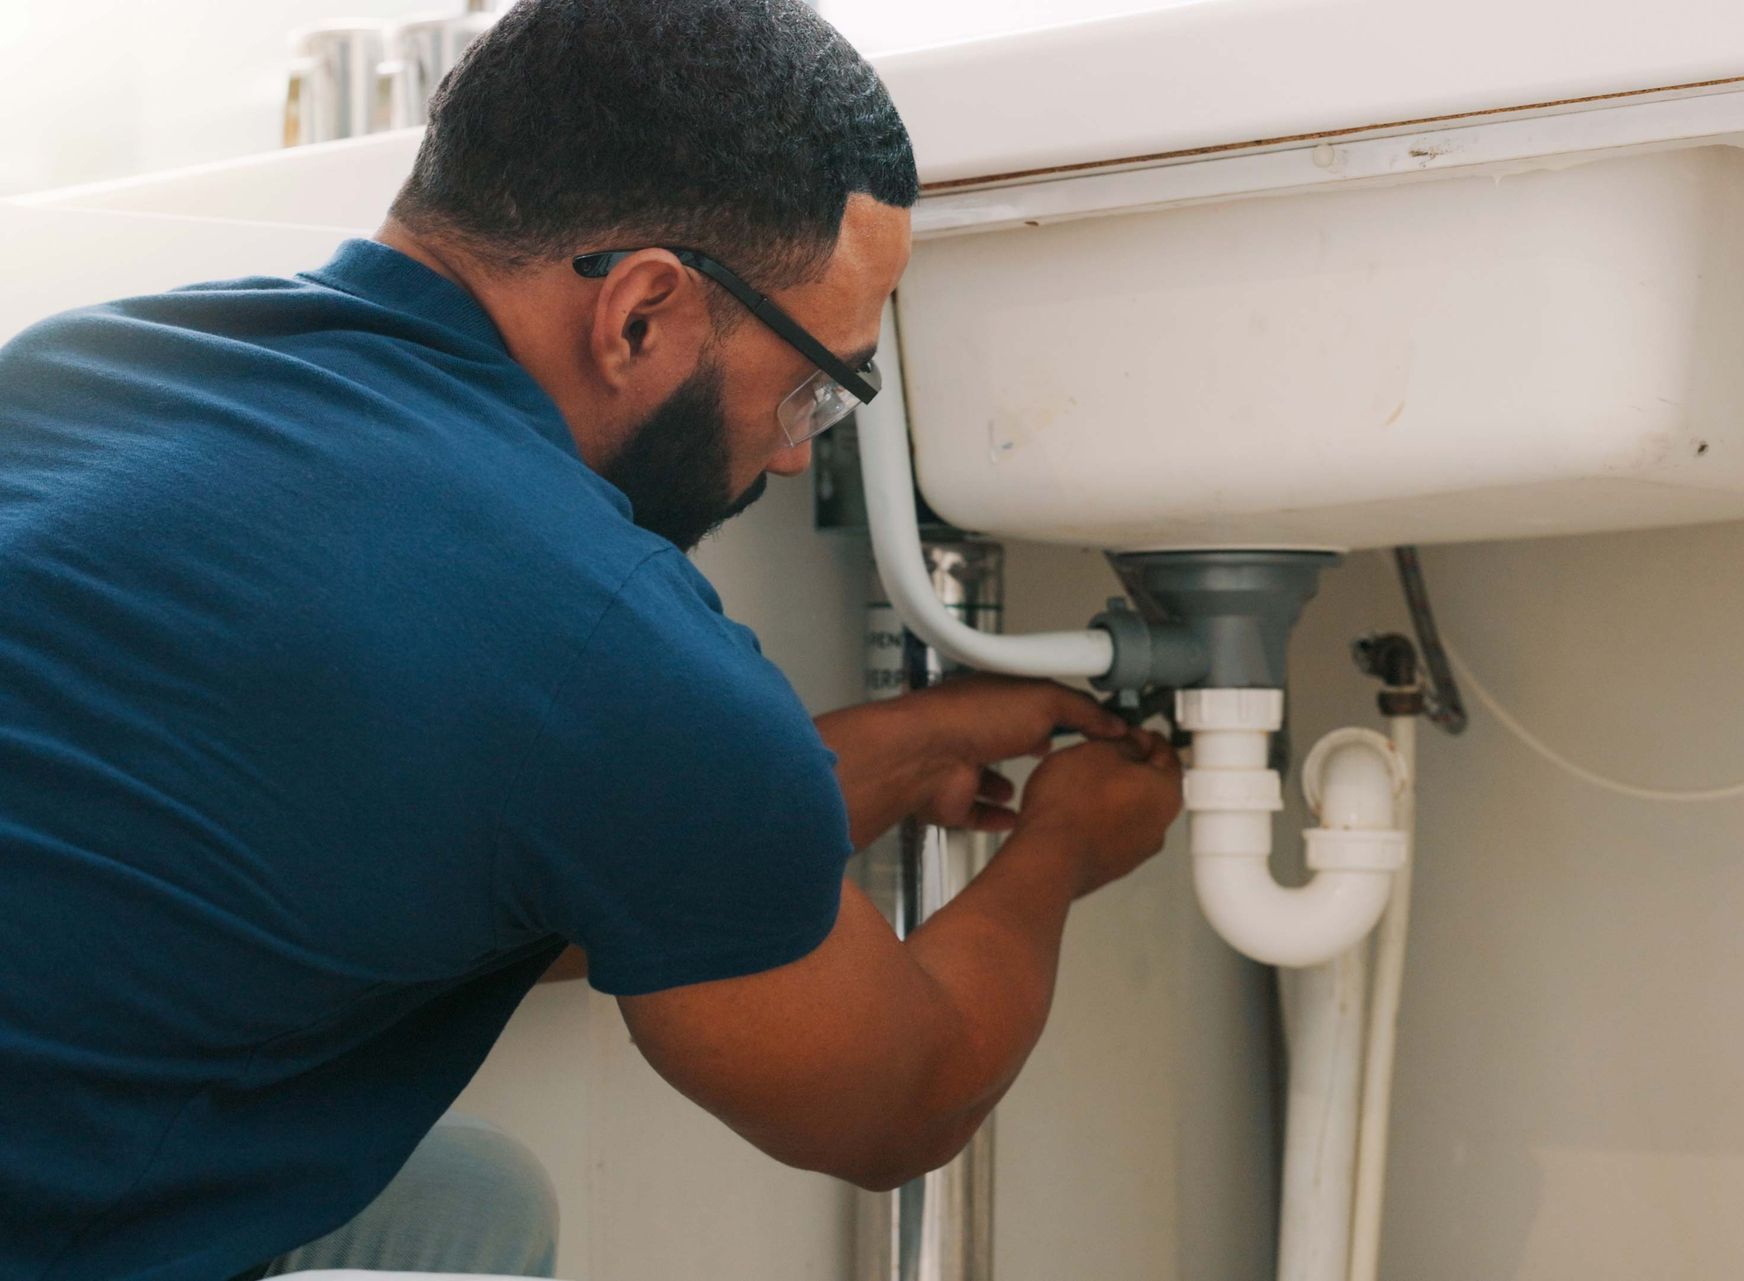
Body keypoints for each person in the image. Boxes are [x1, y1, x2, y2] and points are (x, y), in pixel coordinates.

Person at [0, 1, 1185, 1278]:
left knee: (466, 1204)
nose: (793, 453)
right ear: (639, 315)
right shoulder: (594, 632)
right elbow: (901, 1102)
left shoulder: (96, 362)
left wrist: (904, 745)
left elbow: (536, 845)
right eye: (808, 388)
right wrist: (1064, 848)